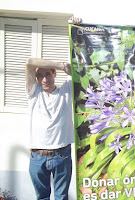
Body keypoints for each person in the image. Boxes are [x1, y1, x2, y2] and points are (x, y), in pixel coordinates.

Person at [25, 58, 74, 200]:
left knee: (61, 197)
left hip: (62, 154)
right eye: (40, 76)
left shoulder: (66, 91)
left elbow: (75, 71)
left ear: (55, 74)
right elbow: (29, 63)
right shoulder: (34, 93)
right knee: (42, 197)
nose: (44, 79)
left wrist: (66, 68)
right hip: (37, 156)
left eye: (48, 74)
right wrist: (60, 65)